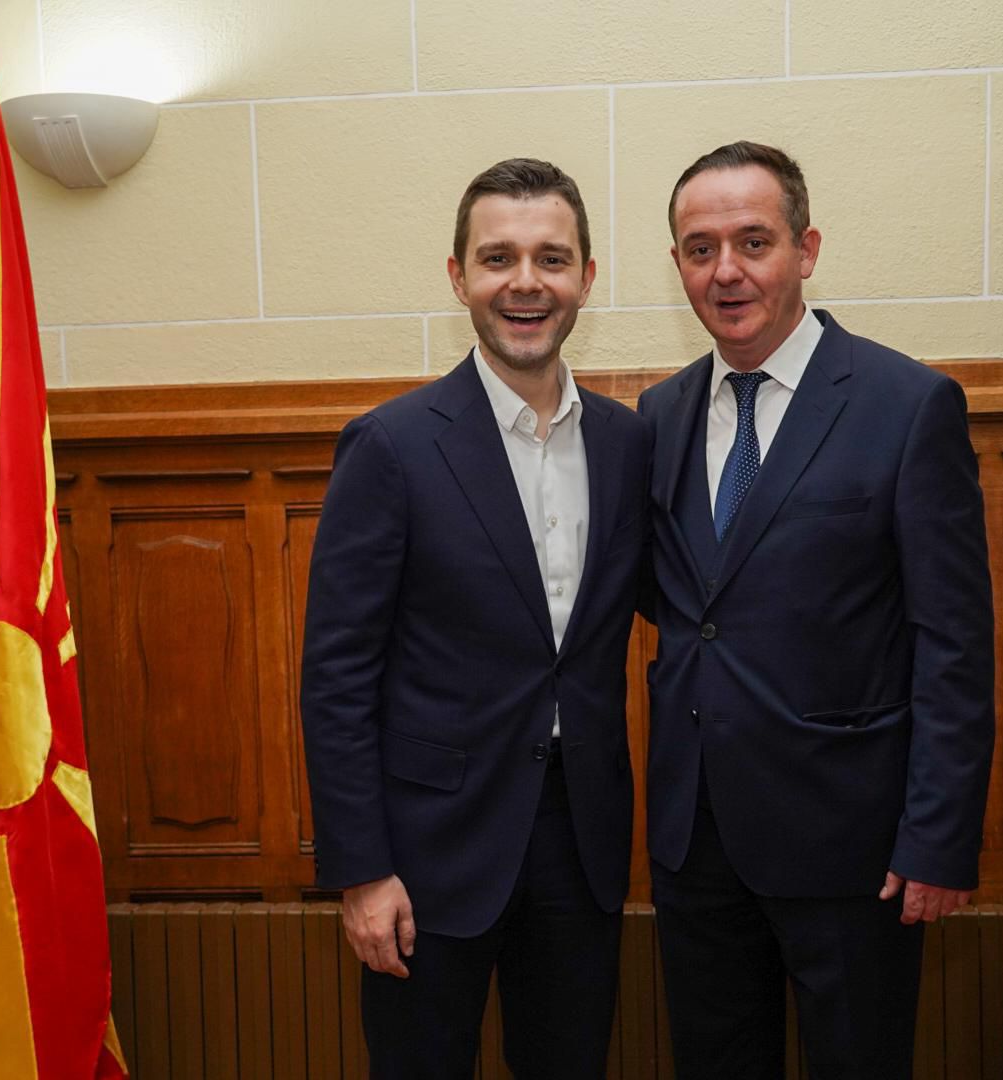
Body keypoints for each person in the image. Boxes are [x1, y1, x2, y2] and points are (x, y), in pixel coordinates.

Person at [638, 141, 995, 1078]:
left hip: (853, 846)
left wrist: (937, 836)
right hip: (694, 839)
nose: (726, 270)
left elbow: (953, 643)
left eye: (753, 242)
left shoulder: (907, 404)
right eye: (700, 249)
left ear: (806, 249)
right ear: (677, 264)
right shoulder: (658, 416)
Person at [300, 158, 649, 1080]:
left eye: (551, 259)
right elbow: (336, 676)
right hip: (426, 854)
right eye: (498, 258)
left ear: (586, 278)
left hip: (581, 842)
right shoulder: (392, 445)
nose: (525, 282)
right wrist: (361, 870)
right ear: (458, 277)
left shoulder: (628, 444)